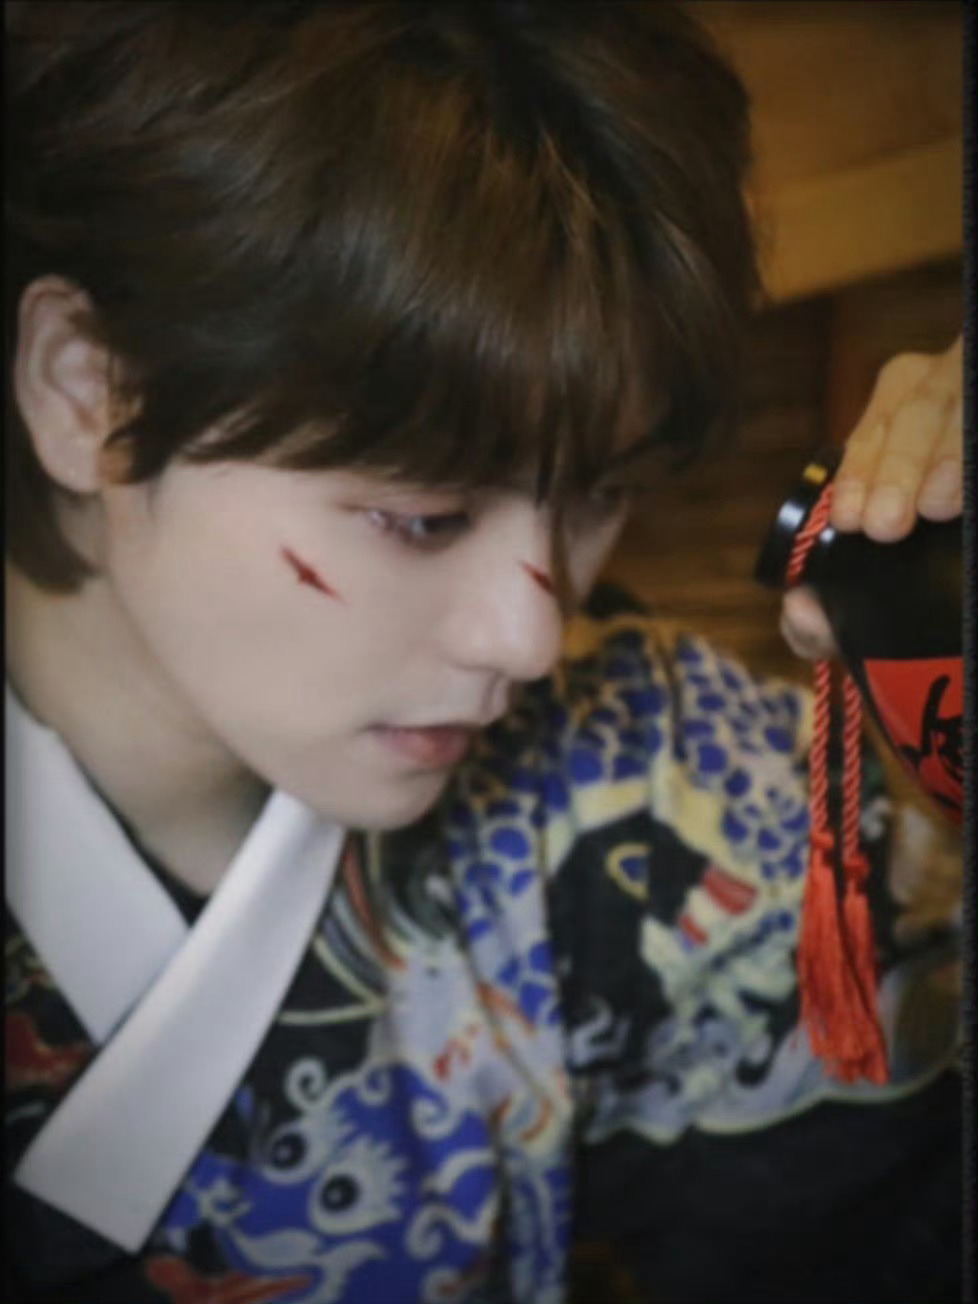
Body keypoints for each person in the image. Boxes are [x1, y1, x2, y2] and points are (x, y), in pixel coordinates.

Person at [3, 4, 964, 1302]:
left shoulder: (652, 768)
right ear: (87, 389)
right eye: (423, 517)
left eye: (600, 495)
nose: (532, 634)